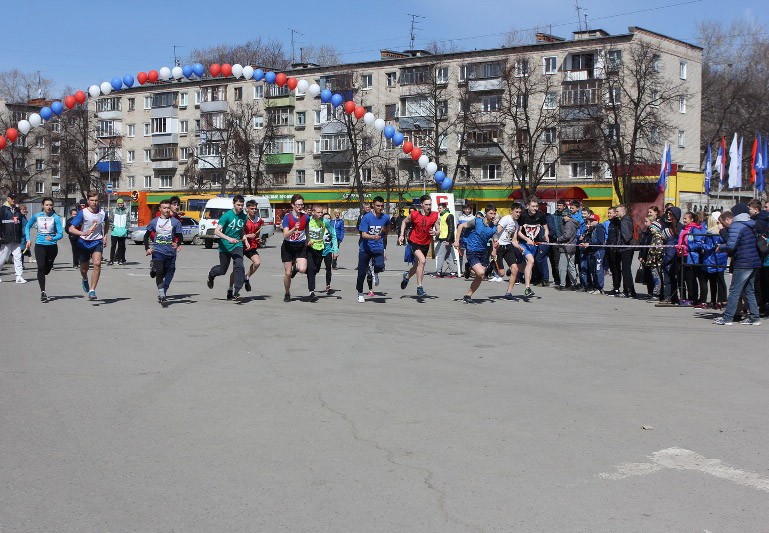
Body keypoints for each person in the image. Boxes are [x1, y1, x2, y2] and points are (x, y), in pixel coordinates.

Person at [714, 209, 762, 325]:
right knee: (749, 290)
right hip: (754, 261)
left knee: (735, 290)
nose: (723, 226)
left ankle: (728, 318)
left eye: (723, 223)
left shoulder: (735, 226)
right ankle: (755, 318)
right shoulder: (748, 224)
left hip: (743, 262)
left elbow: (731, 245)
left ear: (728, 219)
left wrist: (721, 247)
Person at [67, 190, 109, 300]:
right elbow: (71, 228)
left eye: (96, 200)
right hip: (83, 242)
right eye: (92, 200)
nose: (94, 202)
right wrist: (82, 233)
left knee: (97, 263)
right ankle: (84, 278)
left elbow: (107, 222)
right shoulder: (83, 213)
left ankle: (92, 290)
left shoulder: (103, 213)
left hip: (97, 241)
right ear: (88, 201)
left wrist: (105, 236)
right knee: (84, 268)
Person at [455, 204, 499, 303]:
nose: (493, 216)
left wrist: (495, 248)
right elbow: (461, 226)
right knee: (481, 273)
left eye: (494, 214)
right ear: (486, 213)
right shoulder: (476, 221)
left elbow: (495, 239)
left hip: (483, 252)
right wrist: (457, 240)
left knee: (481, 276)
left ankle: (468, 295)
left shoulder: (493, 227)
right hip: (472, 250)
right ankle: (469, 267)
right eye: (491, 213)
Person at [206, 195, 246, 302]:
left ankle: (237, 290)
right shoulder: (227, 215)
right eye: (238, 205)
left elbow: (241, 230)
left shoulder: (244, 216)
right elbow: (217, 231)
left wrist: (244, 238)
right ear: (233, 204)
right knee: (222, 270)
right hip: (225, 246)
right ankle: (211, 274)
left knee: (239, 265)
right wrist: (228, 238)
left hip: (237, 245)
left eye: (242, 205)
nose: (240, 207)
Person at [23, 197, 64, 301]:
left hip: (52, 247)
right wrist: (28, 239)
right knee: (41, 267)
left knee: (47, 270)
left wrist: (53, 238)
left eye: (51, 205)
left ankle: (46, 269)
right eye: (47, 205)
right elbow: (27, 226)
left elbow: (60, 234)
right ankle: (43, 292)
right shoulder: (37, 216)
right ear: (42, 205)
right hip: (40, 245)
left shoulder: (56, 218)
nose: (49, 207)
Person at [399, 194, 439, 297]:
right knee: (422, 261)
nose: (428, 207)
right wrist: (402, 235)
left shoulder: (434, 215)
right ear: (421, 204)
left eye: (430, 204)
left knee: (418, 265)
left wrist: (436, 232)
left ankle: (407, 277)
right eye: (426, 204)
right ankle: (419, 287)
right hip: (414, 241)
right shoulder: (415, 215)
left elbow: (438, 229)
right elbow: (404, 222)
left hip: (425, 243)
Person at [145, 199, 183, 307]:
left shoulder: (176, 222)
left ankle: (154, 269)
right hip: (158, 251)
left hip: (170, 252)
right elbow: (146, 235)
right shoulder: (154, 221)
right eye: (164, 208)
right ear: (160, 209)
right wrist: (147, 248)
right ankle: (162, 296)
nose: (166, 210)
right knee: (160, 272)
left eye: (167, 208)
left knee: (168, 272)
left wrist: (178, 243)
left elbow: (180, 236)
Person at [356, 196, 389, 302]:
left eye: (382, 206)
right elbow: (364, 235)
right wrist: (373, 237)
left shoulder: (386, 218)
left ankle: (376, 272)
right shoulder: (366, 217)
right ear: (373, 205)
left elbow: (386, 231)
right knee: (361, 273)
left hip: (378, 247)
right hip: (365, 248)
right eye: (378, 206)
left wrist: (384, 247)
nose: (380, 208)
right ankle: (360, 292)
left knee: (380, 266)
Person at [280, 194, 309, 302]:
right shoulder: (287, 217)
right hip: (288, 246)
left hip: (300, 246)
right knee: (287, 273)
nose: (300, 207)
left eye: (301, 205)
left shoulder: (306, 217)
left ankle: (296, 267)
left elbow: (307, 229)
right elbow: (285, 235)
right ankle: (287, 292)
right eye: (297, 205)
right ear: (293, 205)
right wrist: (293, 228)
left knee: (302, 269)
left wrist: (308, 240)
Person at [306, 204, 338, 302]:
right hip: (310, 248)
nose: (320, 214)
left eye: (321, 212)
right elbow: (301, 232)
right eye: (318, 212)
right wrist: (307, 240)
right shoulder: (308, 220)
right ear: (313, 212)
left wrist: (335, 249)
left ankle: (327, 285)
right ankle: (311, 292)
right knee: (311, 269)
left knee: (316, 269)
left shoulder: (325, 221)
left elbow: (333, 233)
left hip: (322, 249)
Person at [494, 202, 525, 299]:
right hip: (499, 247)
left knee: (515, 269)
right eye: (516, 212)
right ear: (511, 211)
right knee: (501, 274)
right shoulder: (506, 219)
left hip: (508, 247)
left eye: (519, 212)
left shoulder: (516, 224)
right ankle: (491, 266)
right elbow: (496, 231)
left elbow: (514, 240)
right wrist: (494, 242)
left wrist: (519, 247)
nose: (518, 214)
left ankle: (508, 293)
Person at [234, 199, 264, 295]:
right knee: (238, 268)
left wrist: (259, 239)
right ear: (246, 209)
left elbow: (258, 233)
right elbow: (238, 232)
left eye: (255, 209)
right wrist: (246, 237)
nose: (254, 210)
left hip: (251, 246)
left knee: (257, 262)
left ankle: (246, 277)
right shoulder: (242, 218)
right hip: (240, 245)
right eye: (252, 209)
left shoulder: (259, 220)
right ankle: (232, 289)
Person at [519, 198, 550, 287]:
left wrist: (546, 235)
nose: (535, 208)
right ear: (527, 206)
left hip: (534, 243)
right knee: (530, 261)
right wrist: (526, 239)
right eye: (533, 206)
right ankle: (527, 286)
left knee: (528, 263)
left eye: (536, 206)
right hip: (523, 243)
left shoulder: (540, 215)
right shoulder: (523, 215)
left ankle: (517, 271)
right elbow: (518, 232)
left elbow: (546, 228)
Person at [0, 192, 26, 283]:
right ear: (8, 198)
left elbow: (21, 223)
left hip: (16, 237)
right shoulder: (2, 209)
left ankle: (19, 276)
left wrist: (23, 235)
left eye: (14, 198)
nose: (13, 199)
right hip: (6, 237)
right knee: (3, 258)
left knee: (18, 257)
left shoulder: (17, 210)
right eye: (11, 198)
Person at [616, 204, 637, 298]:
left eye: (617, 211)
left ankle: (627, 291)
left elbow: (627, 236)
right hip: (628, 248)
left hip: (625, 248)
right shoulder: (628, 220)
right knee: (626, 270)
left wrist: (620, 243)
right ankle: (630, 291)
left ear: (623, 212)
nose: (616, 213)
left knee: (626, 270)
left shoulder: (624, 221)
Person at [582, 213, 606, 294]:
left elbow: (600, 241)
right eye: (590, 220)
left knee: (598, 270)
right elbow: (591, 239)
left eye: (593, 220)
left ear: (597, 221)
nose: (591, 222)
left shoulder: (599, 228)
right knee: (594, 270)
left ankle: (600, 287)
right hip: (593, 251)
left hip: (599, 251)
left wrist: (589, 244)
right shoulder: (593, 229)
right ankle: (595, 287)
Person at [555, 209, 579, 290]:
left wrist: (559, 239)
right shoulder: (573, 222)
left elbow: (567, 236)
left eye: (565, 216)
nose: (564, 217)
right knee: (571, 266)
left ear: (569, 216)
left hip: (566, 248)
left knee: (562, 267)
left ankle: (562, 285)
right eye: (563, 216)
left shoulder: (568, 224)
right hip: (572, 247)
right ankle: (575, 284)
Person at [434, 202, 457, 277]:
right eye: (438, 208)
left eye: (440, 208)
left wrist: (449, 240)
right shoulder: (441, 216)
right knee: (448, 256)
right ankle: (452, 272)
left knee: (440, 255)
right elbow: (441, 229)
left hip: (446, 239)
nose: (439, 209)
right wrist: (437, 238)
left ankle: (438, 272)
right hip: (443, 238)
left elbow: (451, 229)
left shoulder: (449, 215)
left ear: (444, 208)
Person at [604, 207, 621, 294]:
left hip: (615, 249)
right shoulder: (610, 223)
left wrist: (615, 247)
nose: (609, 214)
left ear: (615, 213)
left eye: (610, 213)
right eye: (608, 213)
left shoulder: (617, 223)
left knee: (616, 269)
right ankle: (615, 287)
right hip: (609, 248)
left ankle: (617, 288)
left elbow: (617, 236)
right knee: (613, 269)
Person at [456, 202, 474, 278]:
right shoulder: (460, 218)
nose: (467, 210)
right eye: (466, 209)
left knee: (470, 255)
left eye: (468, 209)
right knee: (460, 255)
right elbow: (458, 227)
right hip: (462, 239)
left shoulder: (473, 218)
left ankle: (469, 270)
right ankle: (459, 270)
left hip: (470, 239)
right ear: (463, 209)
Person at [108, 198, 129, 265]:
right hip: (115, 232)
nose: (121, 204)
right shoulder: (114, 210)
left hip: (123, 232)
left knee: (121, 247)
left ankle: (119, 260)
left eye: (122, 203)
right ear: (117, 204)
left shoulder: (126, 211)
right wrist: (112, 227)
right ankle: (111, 260)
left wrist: (126, 228)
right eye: (119, 203)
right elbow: (111, 220)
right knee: (113, 246)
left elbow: (128, 221)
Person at [322, 213, 337, 293]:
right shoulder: (318, 226)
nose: (327, 220)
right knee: (315, 268)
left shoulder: (330, 228)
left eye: (329, 218)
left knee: (328, 268)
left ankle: (328, 285)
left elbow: (334, 238)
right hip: (319, 250)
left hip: (328, 250)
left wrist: (335, 250)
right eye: (325, 218)